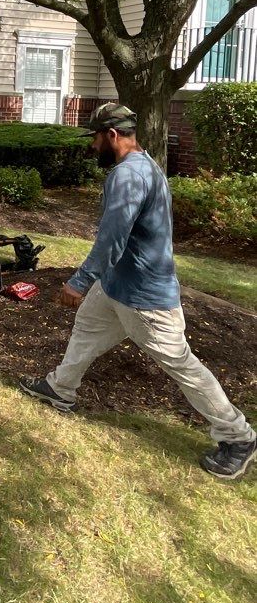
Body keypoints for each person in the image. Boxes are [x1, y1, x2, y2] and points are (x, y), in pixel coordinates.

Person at [19, 102, 256, 480]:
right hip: (116, 284)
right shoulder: (146, 166)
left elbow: (112, 239)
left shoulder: (128, 176)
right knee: (86, 327)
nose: (93, 146)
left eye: (96, 138)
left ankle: (238, 437)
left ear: (112, 135)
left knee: (182, 364)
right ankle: (60, 388)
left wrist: (79, 281)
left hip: (144, 296)